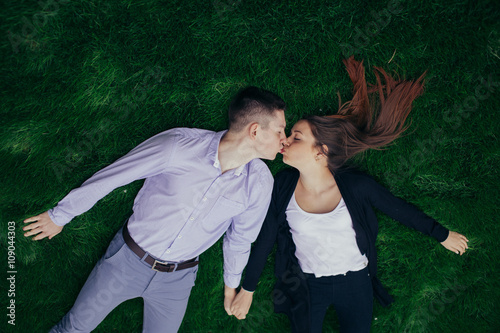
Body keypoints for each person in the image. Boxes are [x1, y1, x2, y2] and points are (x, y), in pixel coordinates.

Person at [228, 58, 469, 332]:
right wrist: (247, 289)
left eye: (296, 137)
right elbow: (267, 236)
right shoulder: (282, 185)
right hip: (308, 284)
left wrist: (442, 234)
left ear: (321, 152)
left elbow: (398, 209)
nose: (284, 140)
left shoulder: (355, 186)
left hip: (355, 282)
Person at [23, 86, 288, 333]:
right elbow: (115, 176)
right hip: (127, 261)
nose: (284, 140)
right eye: (280, 131)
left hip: (178, 280)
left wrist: (232, 288)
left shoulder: (260, 182)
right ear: (255, 131)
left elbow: (240, 238)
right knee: (74, 327)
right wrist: (60, 216)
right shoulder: (178, 146)